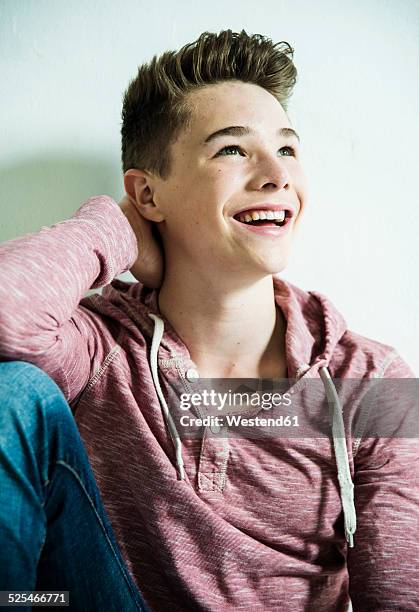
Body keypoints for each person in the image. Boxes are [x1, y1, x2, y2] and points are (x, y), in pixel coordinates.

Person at [0, 29, 418, 612]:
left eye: (288, 148)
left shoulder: (371, 383)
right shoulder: (97, 348)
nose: (278, 175)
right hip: (88, 600)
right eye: (232, 149)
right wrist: (114, 232)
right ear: (148, 195)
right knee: (12, 394)